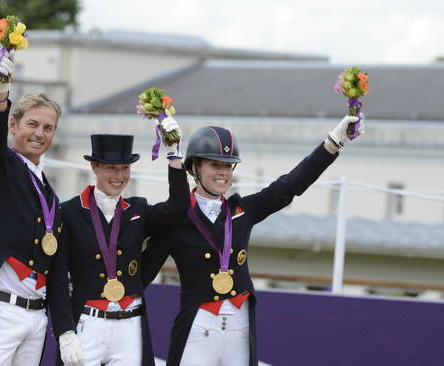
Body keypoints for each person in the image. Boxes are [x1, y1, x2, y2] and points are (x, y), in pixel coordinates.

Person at [141, 116, 365, 365]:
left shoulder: (243, 211)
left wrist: (335, 141)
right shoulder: (175, 218)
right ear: (195, 167)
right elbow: (142, 275)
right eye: (216, 165)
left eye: (228, 166)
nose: (223, 173)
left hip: (239, 328)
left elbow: (289, 186)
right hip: (198, 329)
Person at [0, 50, 82, 365]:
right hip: (0, 312)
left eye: (48, 128)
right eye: (33, 124)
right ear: (14, 124)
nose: (39, 133)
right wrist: (0, 97)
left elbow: (56, 268)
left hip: (37, 317)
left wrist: (64, 330)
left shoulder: (50, 193)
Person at [47, 116, 190, 366]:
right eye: (111, 168)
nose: (119, 175)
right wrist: (64, 330)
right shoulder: (68, 212)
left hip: (129, 323)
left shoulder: (139, 209)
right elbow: (57, 276)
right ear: (94, 167)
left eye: (124, 168)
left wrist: (174, 157)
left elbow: (178, 209)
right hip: (87, 322)